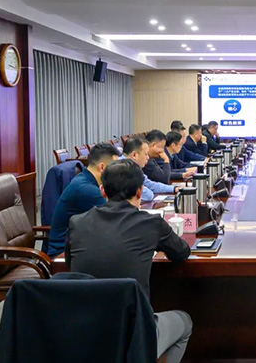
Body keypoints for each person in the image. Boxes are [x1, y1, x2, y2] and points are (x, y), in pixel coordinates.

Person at [65, 159, 192, 362]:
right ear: (140, 191)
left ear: (102, 191)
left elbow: (70, 266)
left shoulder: (77, 222)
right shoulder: (152, 223)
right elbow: (182, 253)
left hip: (83, 332)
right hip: (134, 336)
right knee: (185, 322)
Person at [47, 142, 119, 258]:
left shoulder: (86, 179)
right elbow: (116, 220)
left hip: (78, 245)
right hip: (63, 254)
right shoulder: (87, 189)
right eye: (115, 168)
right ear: (102, 167)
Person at [121, 137, 176, 201]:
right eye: (146, 154)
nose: (148, 158)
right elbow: (147, 195)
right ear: (134, 155)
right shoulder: (123, 169)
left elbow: (149, 184)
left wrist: (174, 188)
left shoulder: (133, 167)